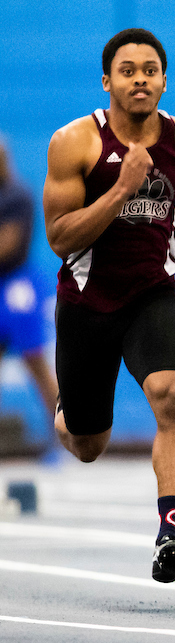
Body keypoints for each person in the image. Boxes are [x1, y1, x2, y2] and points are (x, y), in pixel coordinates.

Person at [43, 28, 175, 580]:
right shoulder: (74, 143)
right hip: (86, 302)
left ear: (164, 82)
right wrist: (121, 189)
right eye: (128, 71)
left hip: (153, 295)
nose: (140, 79)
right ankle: (66, 412)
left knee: (172, 395)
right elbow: (60, 237)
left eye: (150, 70)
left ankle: (169, 532)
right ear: (107, 82)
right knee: (87, 443)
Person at [0, 140, 58, 433]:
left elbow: (7, 247)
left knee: (36, 360)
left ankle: (65, 435)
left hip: (16, 286)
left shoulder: (16, 196)